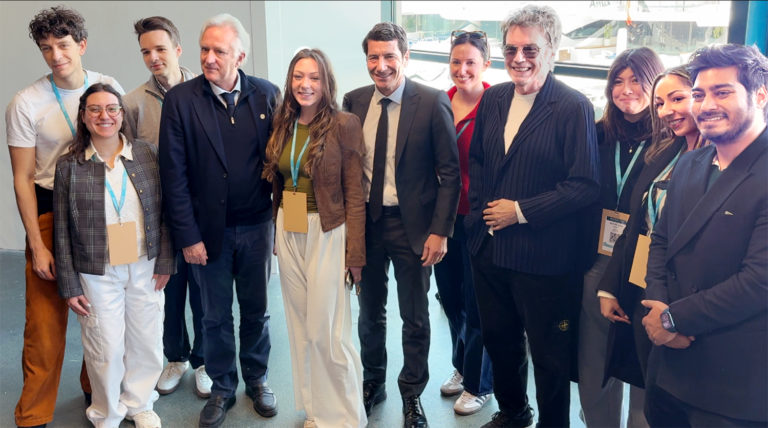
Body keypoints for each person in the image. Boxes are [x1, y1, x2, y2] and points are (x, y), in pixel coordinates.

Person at [465, 5, 600, 427]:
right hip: (490, 249)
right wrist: (479, 218)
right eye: (511, 49)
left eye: (530, 49)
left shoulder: (572, 107)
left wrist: (520, 212)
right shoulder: (494, 98)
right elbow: (479, 161)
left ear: (552, 50)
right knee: (500, 342)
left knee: (548, 355)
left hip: (543, 257)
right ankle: (513, 412)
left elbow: (584, 184)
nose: (519, 58)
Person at [158, 13, 280, 428]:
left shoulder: (267, 95)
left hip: (257, 226)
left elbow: (281, 166)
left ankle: (257, 379)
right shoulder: (180, 100)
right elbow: (173, 175)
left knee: (257, 310)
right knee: (213, 315)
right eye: (205, 49)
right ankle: (223, 387)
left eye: (219, 51)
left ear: (240, 56)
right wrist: (188, 236)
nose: (209, 58)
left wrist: (281, 225)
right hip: (207, 233)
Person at [5, 6, 123, 427]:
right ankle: (33, 415)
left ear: (82, 45)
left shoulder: (107, 87)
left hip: (104, 210)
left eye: (63, 45)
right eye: (46, 48)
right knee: (44, 326)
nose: (55, 55)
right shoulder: (26, 103)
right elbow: (22, 178)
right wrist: (37, 245)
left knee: (105, 311)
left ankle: (99, 391)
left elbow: (123, 154)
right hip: (51, 211)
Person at [641, 43, 768, 427]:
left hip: (732, 381)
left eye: (722, 92)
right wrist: (656, 306)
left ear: (760, 96)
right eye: (699, 94)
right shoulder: (691, 163)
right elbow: (661, 241)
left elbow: (758, 282)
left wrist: (671, 319)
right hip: (669, 366)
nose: (707, 105)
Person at [342, 22, 461, 428]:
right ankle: (373, 383)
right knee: (369, 314)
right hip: (367, 224)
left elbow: (450, 173)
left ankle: (411, 394)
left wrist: (440, 231)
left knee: (415, 316)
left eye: (390, 56)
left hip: (414, 228)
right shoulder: (354, 101)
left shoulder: (430, 102)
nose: (381, 65)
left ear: (405, 57)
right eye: (373, 57)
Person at [53, 83, 174, 428]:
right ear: (83, 117)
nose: (104, 116)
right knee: (104, 345)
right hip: (96, 270)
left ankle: (139, 403)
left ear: (122, 115)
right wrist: (69, 284)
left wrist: (166, 260)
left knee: (147, 339)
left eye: (111, 109)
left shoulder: (147, 154)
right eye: (94, 109)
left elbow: (166, 211)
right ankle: (106, 412)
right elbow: (61, 229)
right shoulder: (70, 166)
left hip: (145, 264)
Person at [263, 48, 367, 428]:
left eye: (314, 78)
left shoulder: (344, 124)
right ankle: (316, 411)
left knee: (329, 332)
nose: (305, 85)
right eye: (298, 77)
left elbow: (355, 193)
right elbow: (279, 181)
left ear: (326, 83)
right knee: (301, 327)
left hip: (327, 230)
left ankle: (346, 416)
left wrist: (355, 256)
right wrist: (277, 232)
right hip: (288, 228)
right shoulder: (283, 122)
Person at [597, 65, 703, 421]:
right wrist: (611, 286)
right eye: (660, 103)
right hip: (647, 285)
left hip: (689, 297)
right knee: (651, 388)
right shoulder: (664, 152)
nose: (667, 111)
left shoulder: (721, 161)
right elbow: (635, 224)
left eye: (677, 99)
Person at [122, 15, 211, 399]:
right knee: (168, 291)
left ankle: (205, 360)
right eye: (146, 52)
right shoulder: (132, 103)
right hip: (160, 215)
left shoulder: (205, 91)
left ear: (177, 49)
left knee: (205, 291)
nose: (154, 57)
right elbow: (127, 164)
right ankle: (175, 357)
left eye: (160, 49)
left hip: (203, 210)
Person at [578, 47, 664, 428]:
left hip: (647, 262)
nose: (626, 89)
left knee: (644, 360)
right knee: (594, 360)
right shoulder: (596, 134)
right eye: (618, 81)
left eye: (636, 80)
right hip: (599, 258)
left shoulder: (672, 141)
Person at [433, 29, 493, 417]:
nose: (462, 69)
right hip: (444, 217)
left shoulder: (495, 105)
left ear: (485, 64)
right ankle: (462, 364)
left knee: (477, 302)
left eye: (470, 62)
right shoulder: (440, 102)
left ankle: (480, 383)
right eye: (456, 62)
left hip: (479, 219)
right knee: (450, 298)